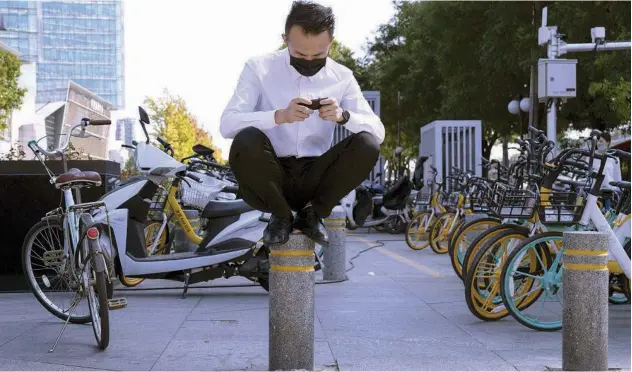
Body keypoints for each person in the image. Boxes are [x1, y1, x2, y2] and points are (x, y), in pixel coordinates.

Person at [220, 1, 385, 247]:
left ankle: (312, 213)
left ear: (331, 42)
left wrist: (343, 117)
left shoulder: (343, 77)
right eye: (299, 54)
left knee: (368, 144)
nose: (308, 60)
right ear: (285, 38)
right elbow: (227, 124)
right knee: (246, 139)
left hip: (315, 177)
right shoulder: (259, 68)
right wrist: (279, 116)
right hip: (269, 175)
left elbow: (378, 132)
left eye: (318, 55)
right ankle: (281, 215)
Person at [591, 131, 622, 210]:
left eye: (601, 141)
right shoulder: (591, 156)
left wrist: (618, 192)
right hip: (593, 192)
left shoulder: (614, 158)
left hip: (609, 193)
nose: (598, 143)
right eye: (597, 141)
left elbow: (617, 177)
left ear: (607, 143)